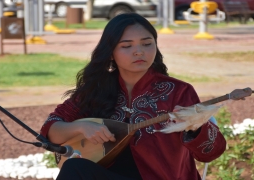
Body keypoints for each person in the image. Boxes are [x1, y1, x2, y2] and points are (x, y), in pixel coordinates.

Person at [40, 13, 227, 180]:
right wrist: (80, 127)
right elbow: (51, 129)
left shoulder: (178, 91)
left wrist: (194, 127)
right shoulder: (97, 89)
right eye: (127, 46)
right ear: (111, 53)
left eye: (147, 44)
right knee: (75, 168)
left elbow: (211, 153)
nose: (139, 51)